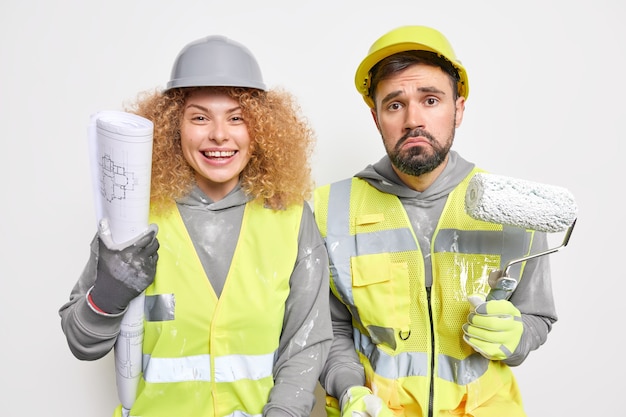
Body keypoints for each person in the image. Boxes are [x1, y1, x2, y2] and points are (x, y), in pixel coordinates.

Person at [59, 35, 333, 417]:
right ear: (174, 128)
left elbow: (305, 344)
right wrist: (107, 294)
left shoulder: (290, 218)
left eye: (236, 118)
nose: (219, 134)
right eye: (200, 117)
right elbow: (80, 341)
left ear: (262, 130)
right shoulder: (134, 218)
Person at [314, 25, 557, 417]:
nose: (414, 120)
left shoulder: (511, 207)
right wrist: (349, 392)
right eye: (395, 104)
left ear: (458, 108)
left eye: (430, 100)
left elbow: (538, 316)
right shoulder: (329, 210)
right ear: (376, 117)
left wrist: (517, 337)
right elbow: (330, 330)